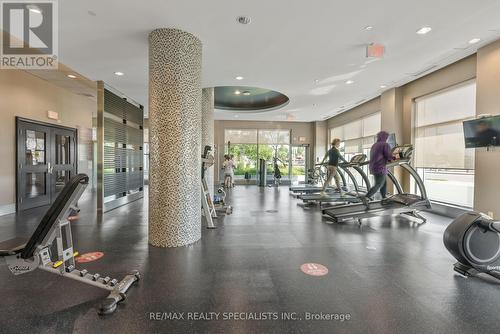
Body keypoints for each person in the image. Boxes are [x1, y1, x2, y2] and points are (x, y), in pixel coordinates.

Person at [361, 131, 394, 205]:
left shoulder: (375, 145)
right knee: (379, 184)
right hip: (380, 167)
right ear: (385, 137)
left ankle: (384, 197)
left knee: (384, 183)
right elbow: (388, 155)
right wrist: (394, 158)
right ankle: (366, 197)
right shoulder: (385, 144)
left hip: (374, 167)